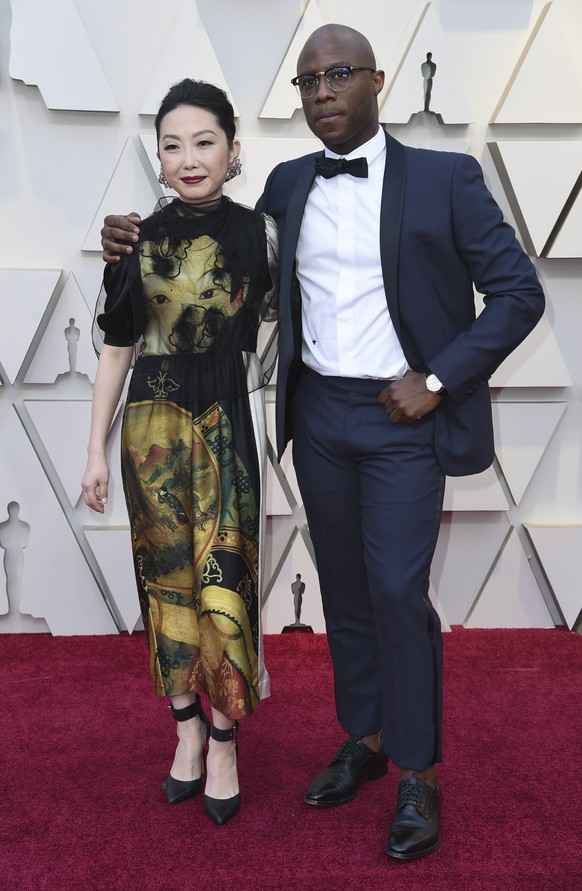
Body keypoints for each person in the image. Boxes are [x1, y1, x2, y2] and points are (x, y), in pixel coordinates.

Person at [100, 24, 545, 860]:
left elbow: (519, 293)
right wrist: (130, 240)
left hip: (403, 416)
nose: (323, 93)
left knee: (396, 591)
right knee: (342, 588)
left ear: (377, 80)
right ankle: (365, 739)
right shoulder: (287, 184)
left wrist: (438, 379)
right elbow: (221, 251)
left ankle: (418, 772)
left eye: (339, 76)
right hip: (321, 420)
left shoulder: (447, 179)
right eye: (308, 83)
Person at [83, 78, 277, 827]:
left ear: (232, 150)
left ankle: (226, 740)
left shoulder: (261, 236)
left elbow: (287, 334)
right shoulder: (133, 242)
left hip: (227, 425)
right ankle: (188, 731)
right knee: (164, 588)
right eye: (172, 145)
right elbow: (115, 350)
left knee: (226, 585)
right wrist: (94, 452)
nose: (188, 158)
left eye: (205, 141)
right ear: (158, 158)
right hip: (150, 433)